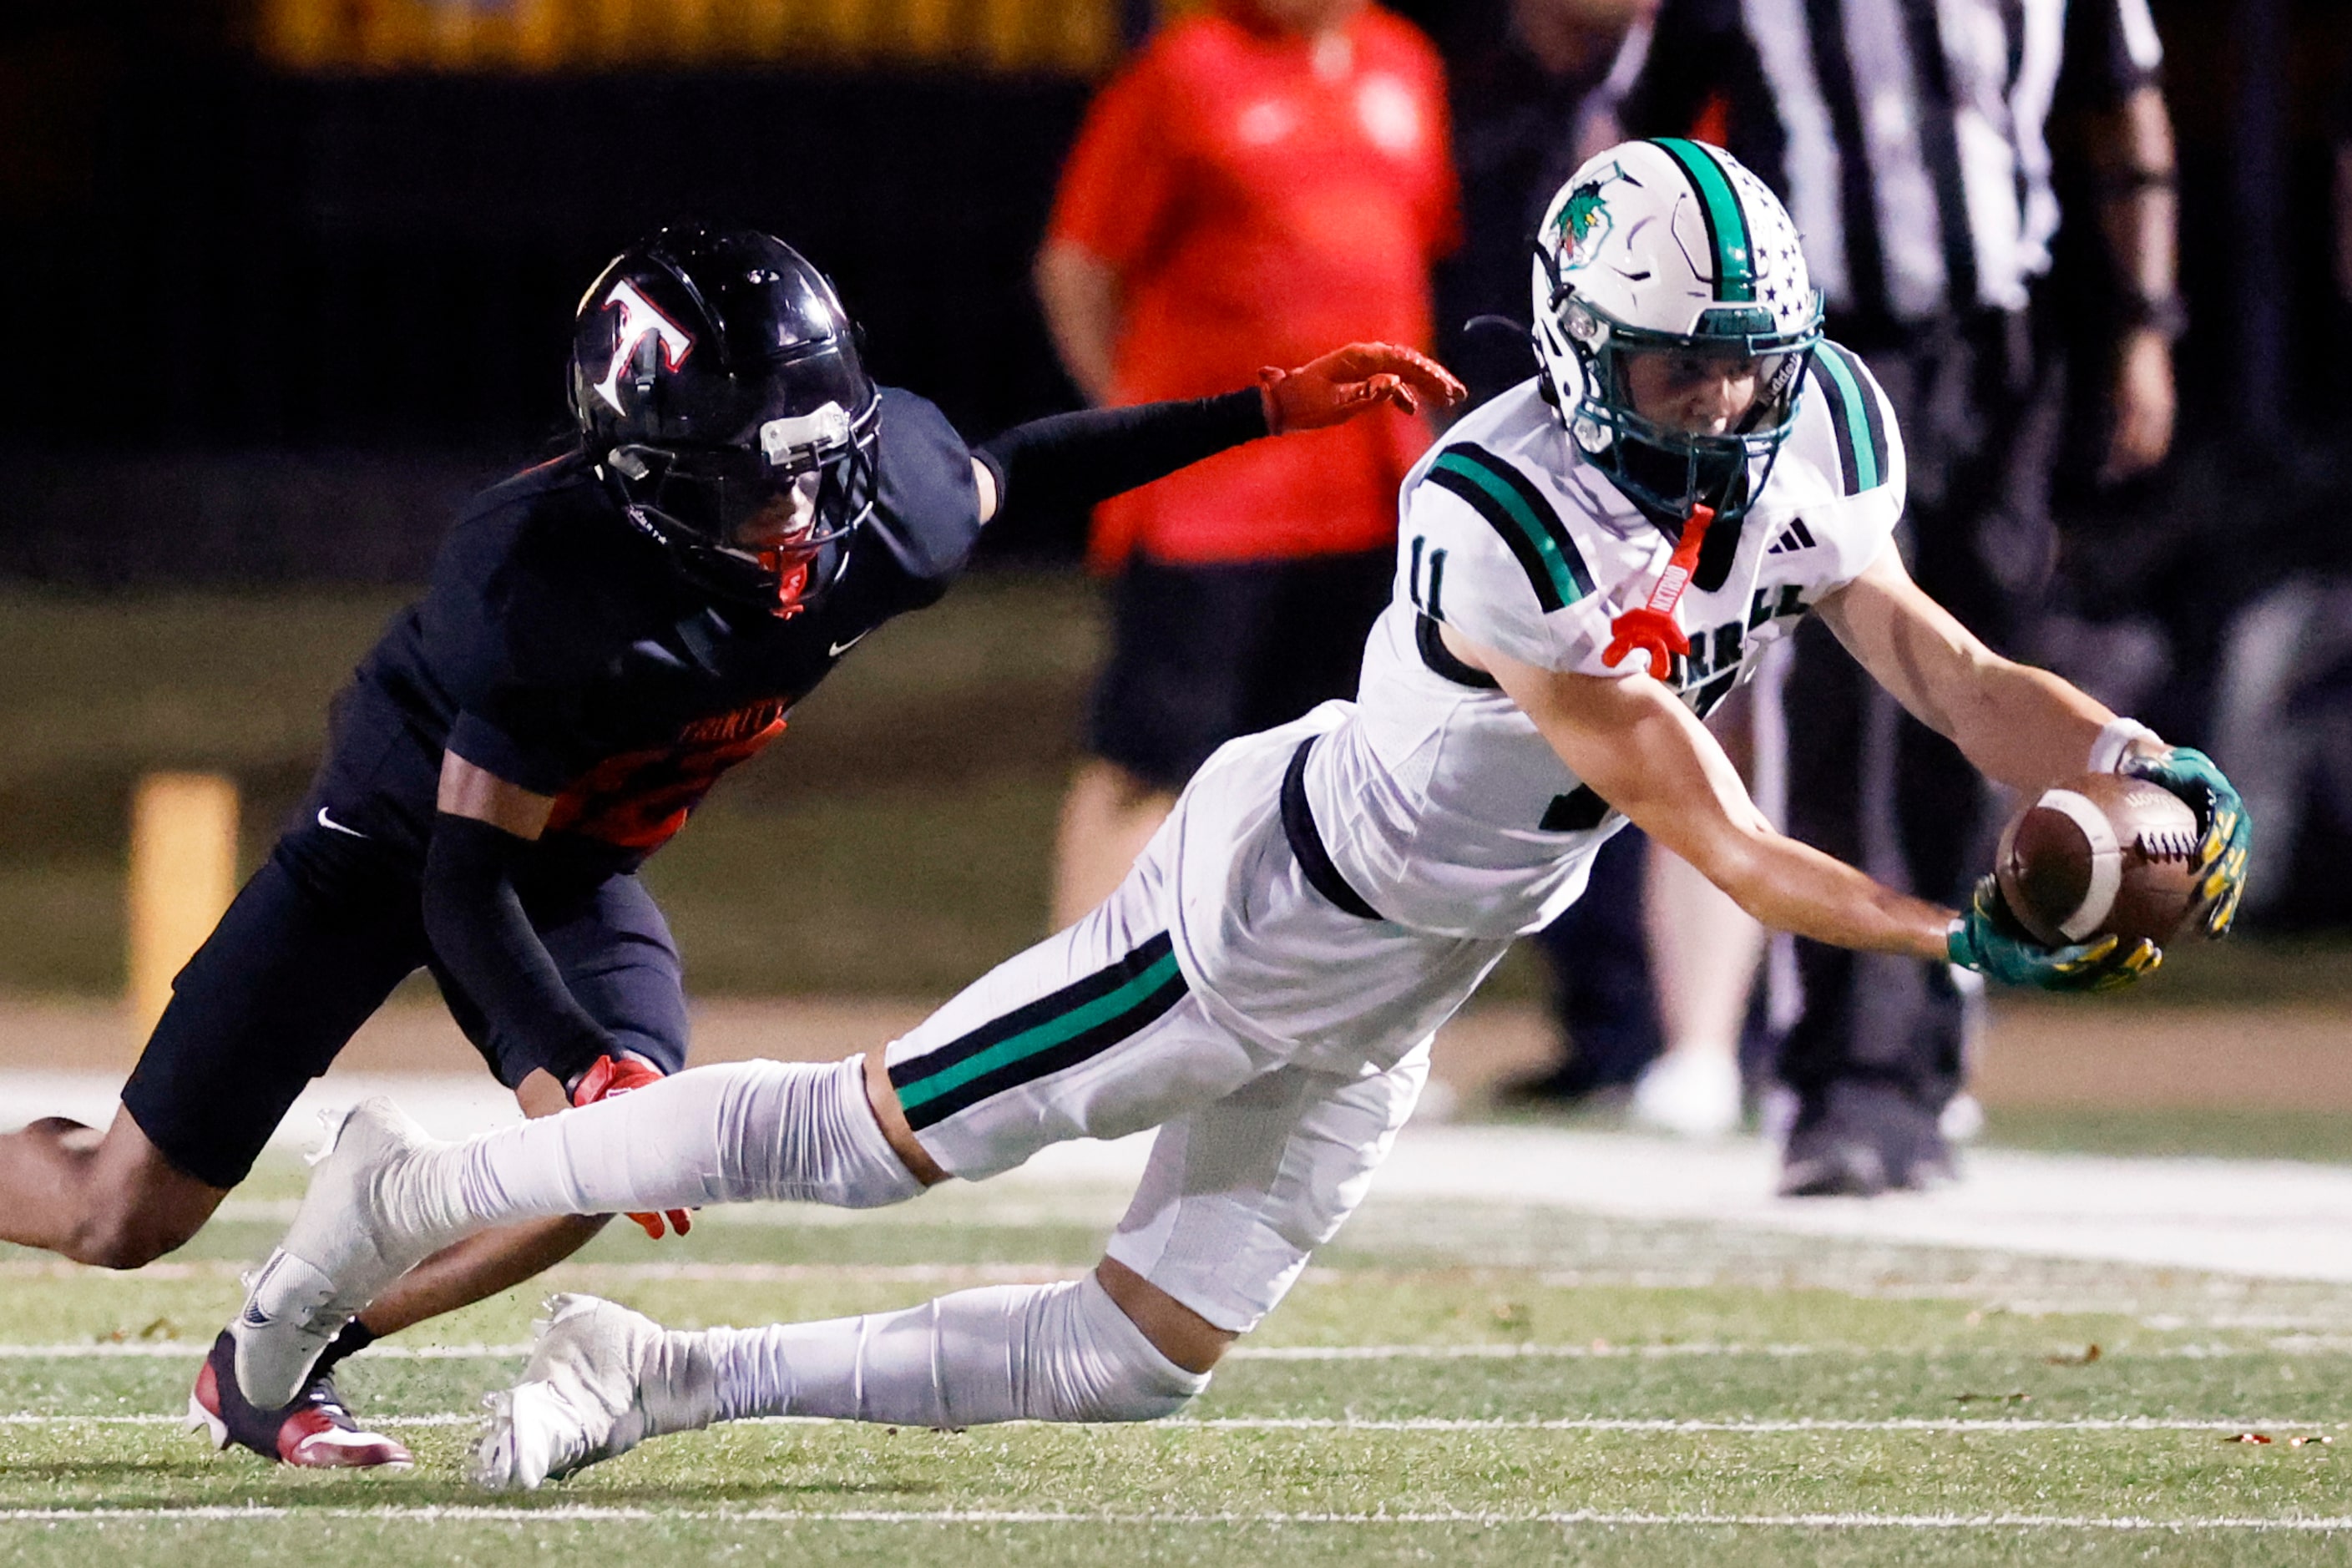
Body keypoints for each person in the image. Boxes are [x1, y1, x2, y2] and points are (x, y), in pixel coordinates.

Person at [223, 143, 2248, 1490]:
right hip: (1265, 912)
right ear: (1571, 342)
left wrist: (2120, 762)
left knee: (1137, 1353)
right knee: (868, 1140)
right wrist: (1945, 936)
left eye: (1740, 372)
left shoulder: (1814, 430)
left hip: (1407, 972)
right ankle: (402, 1188)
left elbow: (1940, 662)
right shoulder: (1497, 502)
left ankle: (656, 1373)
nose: (1717, 413)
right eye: (1671, 371)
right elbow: (1700, 819)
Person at [0, 224, 1459, 1469]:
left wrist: (1262, 410)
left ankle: (279, 1352)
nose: (798, 517)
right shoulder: (544, 590)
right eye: (751, 485)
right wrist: (577, 1058)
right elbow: (461, 876)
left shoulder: (878, 508)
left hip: (572, 868)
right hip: (390, 851)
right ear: (641, 470)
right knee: (116, 1213)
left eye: (816, 470)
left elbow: (1019, 468)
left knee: (600, 1166)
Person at [1599, 0, 2183, 1192]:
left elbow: (2128, 123)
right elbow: (1632, 154)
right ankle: (1842, 1076)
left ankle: (1928, 1052)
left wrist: (2142, 326)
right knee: (1844, 707)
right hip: (1818, 358)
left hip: (2000, 349)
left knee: (1974, 701)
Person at [1037, 0, 1459, 927]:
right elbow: (1078, 267)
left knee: (1339, 772)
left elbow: (1403, 245)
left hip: (1367, 492)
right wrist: (1143, 419)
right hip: (1213, 501)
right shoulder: (1184, 73)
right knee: (1149, 761)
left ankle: (1291, 1032)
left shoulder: (1405, 61)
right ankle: (1068, 1011)